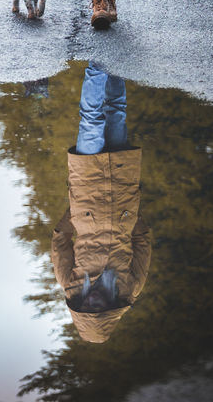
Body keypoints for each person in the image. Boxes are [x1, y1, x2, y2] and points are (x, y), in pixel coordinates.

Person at [51, 61, 152, 343]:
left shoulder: (69, 284)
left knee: (92, 119)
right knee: (117, 112)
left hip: (87, 187)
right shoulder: (130, 287)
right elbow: (143, 240)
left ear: (79, 306)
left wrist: (76, 211)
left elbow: (59, 239)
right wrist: (130, 212)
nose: (92, 303)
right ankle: (116, 59)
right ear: (109, 309)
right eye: (98, 308)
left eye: (86, 307)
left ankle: (96, 62)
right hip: (123, 190)